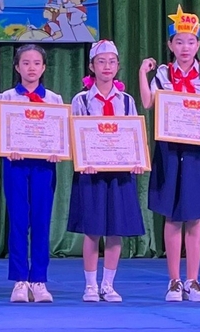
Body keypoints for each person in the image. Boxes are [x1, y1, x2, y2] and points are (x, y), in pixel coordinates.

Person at [139, 5, 200, 302]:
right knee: (172, 215)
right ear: (170, 45)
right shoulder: (163, 74)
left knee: (194, 216)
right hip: (169, 148)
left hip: (198, 151)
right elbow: (148, 103)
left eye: (190, 42)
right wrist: (142, 73)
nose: (185, 47)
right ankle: (174, 281)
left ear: (198, 45)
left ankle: (193, 280)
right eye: (179, 42)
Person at [67, 40, 146, 303]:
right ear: (92, 66)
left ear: (118, 66)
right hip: (91, 172)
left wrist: (137, 159)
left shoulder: (127, 100)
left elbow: (134, 134)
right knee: (92, 229)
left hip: (120, 172)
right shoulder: (81, 100)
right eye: (101, 62)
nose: (107, 66)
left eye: (112, 61)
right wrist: (83, 160)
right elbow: (75, 135)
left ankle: (108, 285)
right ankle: (90, 285)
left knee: (116, 229)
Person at [0, 44, 63, 303]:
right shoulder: (7, 97)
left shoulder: (54, 100)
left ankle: (39, 280)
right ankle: (20, 280)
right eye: (25, 63)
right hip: (16, 166)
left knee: (42, 221)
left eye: (36, 63)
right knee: (19, 221)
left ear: (44, 68)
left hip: (44, 166)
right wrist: (6, 145)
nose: (31, 68)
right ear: (17, 67)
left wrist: (58, 150)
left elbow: (62, 135)